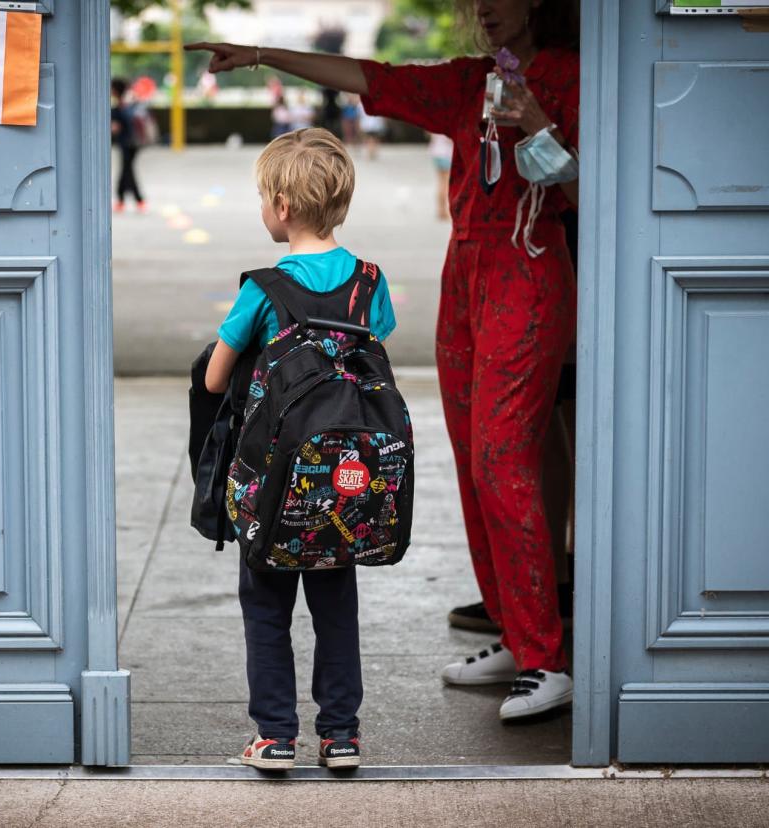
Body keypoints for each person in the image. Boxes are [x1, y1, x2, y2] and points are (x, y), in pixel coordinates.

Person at [188, 0, 579, 722]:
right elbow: (370, 75)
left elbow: (594, 195)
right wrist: (259, 53)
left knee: (501, 458)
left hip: (528, 270)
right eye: (477, 0)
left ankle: (547, 654)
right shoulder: (470, 81)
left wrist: (539, 126)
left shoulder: (575, 78)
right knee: (468, 456)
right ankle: (516, 632)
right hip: (466, 273)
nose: (487, 10)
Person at [203, 128, 398, 770]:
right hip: (343, 484)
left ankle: (276, 736)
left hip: (272, 482)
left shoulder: (263, 288)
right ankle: (341, 734)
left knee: (266, 607)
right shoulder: (369, 282)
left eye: (264, 199)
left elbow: (214, 378)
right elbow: (371, 354)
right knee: (335, 607)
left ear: (282, 206)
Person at [110, 77, 147, 214]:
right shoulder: (130, 102)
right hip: (133, 142)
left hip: (128, 142)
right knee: (127, 171)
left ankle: (135, 200)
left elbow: (116, 128)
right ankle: (129, 201)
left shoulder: (120, 106)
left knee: (127, 171)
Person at [429, 132, 454, 220]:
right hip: (446, 154)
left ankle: (440, 210)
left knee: (440, 183)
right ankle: (446, 211)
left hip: (435, 153)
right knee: (446, 184)